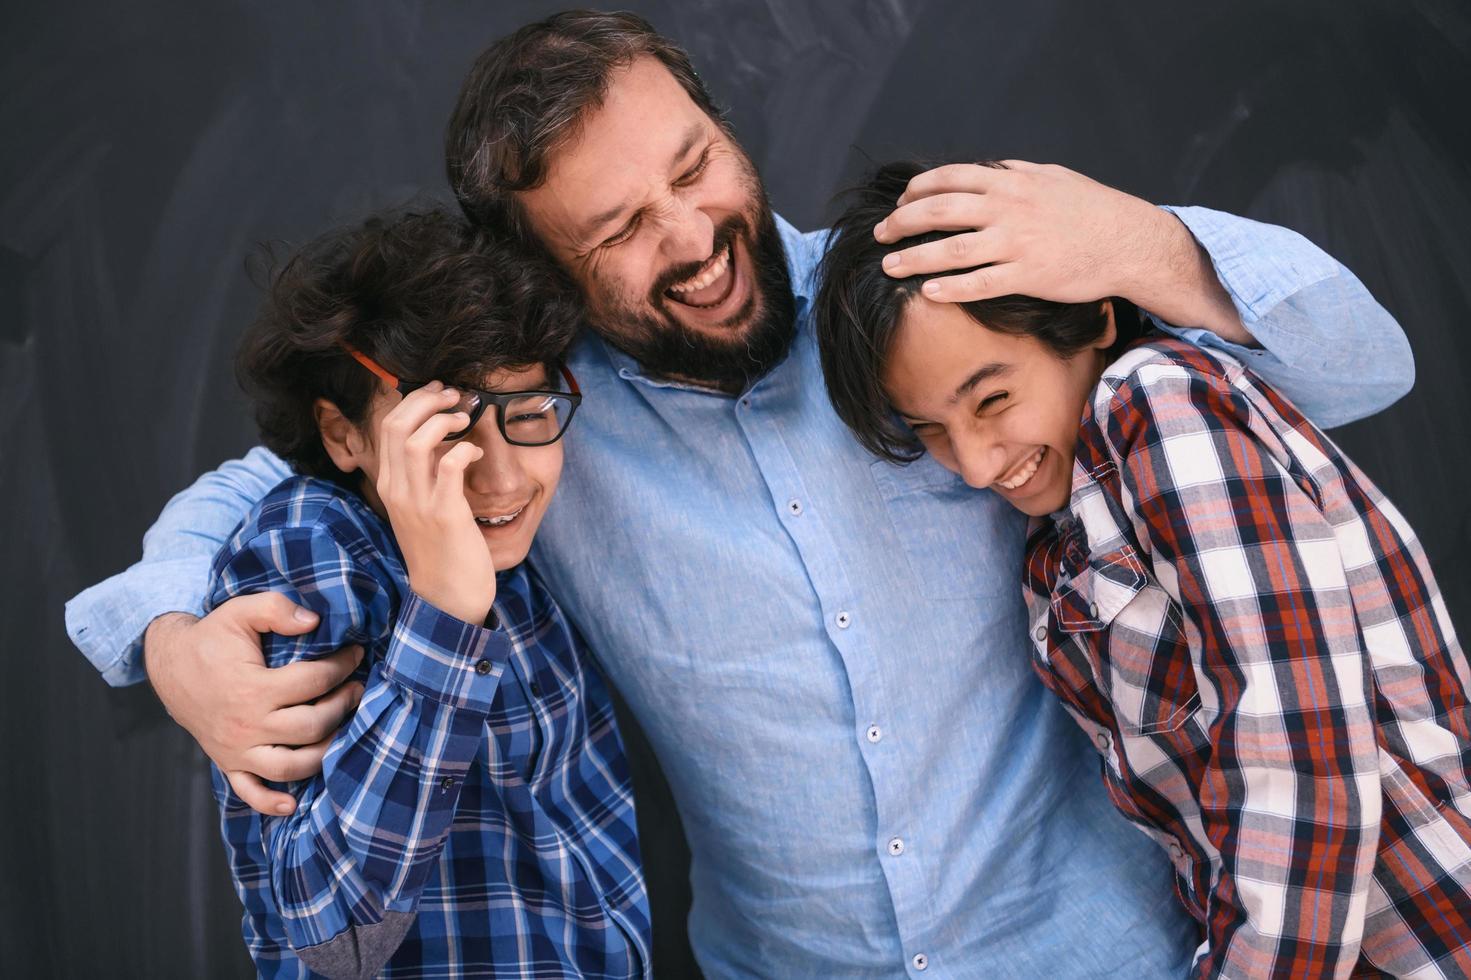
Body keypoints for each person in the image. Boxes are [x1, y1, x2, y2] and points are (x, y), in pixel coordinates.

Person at [67, 11, 1419, 976]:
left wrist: (1139, 240)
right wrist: (167, 637)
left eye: (691, 166)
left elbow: (1360, 366)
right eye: (618, 232)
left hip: (1113, 955)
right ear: (541, 272)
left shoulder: (922, 307)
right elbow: (266, 478)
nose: (693, 237)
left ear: (720, 125)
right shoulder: (534, 425)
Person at [813, 160, 1471, 977]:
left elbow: (1302, 770)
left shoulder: (1155, 403)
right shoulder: (1059, 539)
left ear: (1090, 318)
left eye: (991, 400)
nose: (976, 466)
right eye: (931, 430)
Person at [201, 208, 650, 978]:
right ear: (344, 435)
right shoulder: (309, 547)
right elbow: (335, 945)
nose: (503, 478)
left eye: (530, 412)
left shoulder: (527, 549)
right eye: (448, 431)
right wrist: (442, 611)